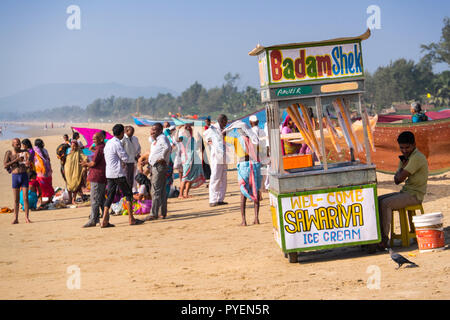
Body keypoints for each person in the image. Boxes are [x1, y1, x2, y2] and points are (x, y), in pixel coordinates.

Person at [377, 131, 428, 250]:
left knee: (385, 203)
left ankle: (384, 238)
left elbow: (399, 177)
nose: (404, 150)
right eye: (402, 148)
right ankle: (378, 236)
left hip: (415, 195)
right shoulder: (406, 158)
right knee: (377, 200)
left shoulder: (416, 157)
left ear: (414, 145)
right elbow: (397, 180)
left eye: (407, 147)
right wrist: (402, 170)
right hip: (406, 192)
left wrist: (402, 169)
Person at [101, 124, 144, 228]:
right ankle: (131, 218)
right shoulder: (117, 143)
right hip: (118, 173)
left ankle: (104, 220)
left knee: (110, 196)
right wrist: (124, 160)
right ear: (121, 133)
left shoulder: (108, 143)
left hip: (109, 173)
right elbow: (124, 157)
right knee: (128, 194)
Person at [224, 122, 262, 226]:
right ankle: (256, 218)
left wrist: (229, 128)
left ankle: (244, 221)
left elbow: (223, 136)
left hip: (244, 166)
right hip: (255, 166)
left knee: (243, 194)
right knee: (256, 191)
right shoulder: (254, 140)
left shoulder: (236, 140)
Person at [146, 122, 171, 220]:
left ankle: (154, 213)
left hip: (159, 166)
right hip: (155, 166)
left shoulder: (162, 138)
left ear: (160, 130)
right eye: (152, 129)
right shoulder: (156, 140)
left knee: (155, 190)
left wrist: (162, 158)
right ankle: (162, 212)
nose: (152, 131)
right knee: (160, 190)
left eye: (154, 130)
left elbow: (167, 147)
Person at [81, 132, 107, 227]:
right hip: (101, 176)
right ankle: (103, 219)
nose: (93, 141)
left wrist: (85, 164)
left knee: (95, 199)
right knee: (100, 199)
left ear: (101, 139)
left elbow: (93, 163)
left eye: (95, 139)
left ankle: (93, 219)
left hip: (97, 176)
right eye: (93, 139)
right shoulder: (101, 148)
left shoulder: (100, 149)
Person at [204, 114, 229, 207]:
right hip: (216, 157)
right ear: (222, 121)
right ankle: (213, 200)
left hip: (224, 156)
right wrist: (212, 143)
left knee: (223, 178)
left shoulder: (223, 129)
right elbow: (206, 137)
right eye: (225, 122)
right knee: (215, 178)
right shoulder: (213, 129)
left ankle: (220, 199)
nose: (226, 124)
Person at [4, 138, 31, 224]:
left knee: (25, 198)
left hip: (24, 176)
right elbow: (5, 165)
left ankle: (27, 218)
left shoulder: (24, 152)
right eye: (17, 144)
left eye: (19, 143)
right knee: (16, 200)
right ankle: (16, 218)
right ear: (13, 145)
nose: (19, 145)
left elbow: (29, 157)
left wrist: (28, 163)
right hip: (15, 176)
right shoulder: (9, 153)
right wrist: (16, 160)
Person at [178, 123, 206, 198]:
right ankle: (180, 194)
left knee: (191, 177)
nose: (189, 129)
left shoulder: (192, 138)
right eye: (187, 128)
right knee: (185, 177)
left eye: (190, 128)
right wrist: (178, 130)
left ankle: (186, 193)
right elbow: (177, 139)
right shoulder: (183, 137)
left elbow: (195, 149)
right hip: (187, 160)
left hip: (194, 159)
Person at [64, 140, 88, 205]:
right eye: (72, 146)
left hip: (76, 170)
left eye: (75, 146)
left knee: (75, 184)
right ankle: (69, 199)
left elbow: (85, 158)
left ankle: (73, 199)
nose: (73, 147)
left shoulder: (79, 152)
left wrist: (84, 163)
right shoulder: (68, 151)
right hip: (68, 171)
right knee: (68, 185)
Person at [33, 138, 54, 208]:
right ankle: (50, 199)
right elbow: (49, 159)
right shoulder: (45, 150)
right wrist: (50, 169)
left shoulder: (34, 151)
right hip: (47, 171)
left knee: (40, 187)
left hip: (39, 171)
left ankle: (40, 201)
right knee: (48, 185)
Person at [121, 125, 141, 193]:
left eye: (133, 131)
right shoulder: (122, 139)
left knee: (133, 177)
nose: (132, 133)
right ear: (126, 131)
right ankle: (126, 192)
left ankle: (132, 190)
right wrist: (122, 161)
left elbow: (138, 148)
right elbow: (120, 150)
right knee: (126, 177)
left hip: (133, 160)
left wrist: (138, 154)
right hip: (125, 161)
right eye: (131, 131)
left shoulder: (135, 138)